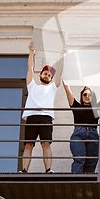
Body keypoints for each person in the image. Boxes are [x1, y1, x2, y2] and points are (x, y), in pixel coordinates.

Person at [20, 41, 65, 174]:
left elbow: (60, 73)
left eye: (49, 75)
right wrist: (31, 52)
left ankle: (48, 169)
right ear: (40, 75)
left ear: (51, 79)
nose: (47, 76)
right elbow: (29, 69)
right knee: (28, 144)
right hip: (32, 117)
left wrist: (62, 55)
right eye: (45, 73)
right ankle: (24, 170)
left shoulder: (53, 88)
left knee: (46, 143)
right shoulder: (32, 85)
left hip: (46, 118)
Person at [63, 83, 99, 173]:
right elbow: (67, 89)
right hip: (79, 134)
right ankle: (76, 183)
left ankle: (87, 185)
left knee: (92, 161)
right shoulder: (76, 106)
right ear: (82, 96)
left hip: (93, 135)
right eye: (85, 94)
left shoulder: (97, 108)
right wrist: (64, 74)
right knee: (79, 159)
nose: (87, 96)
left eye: (89, 94)